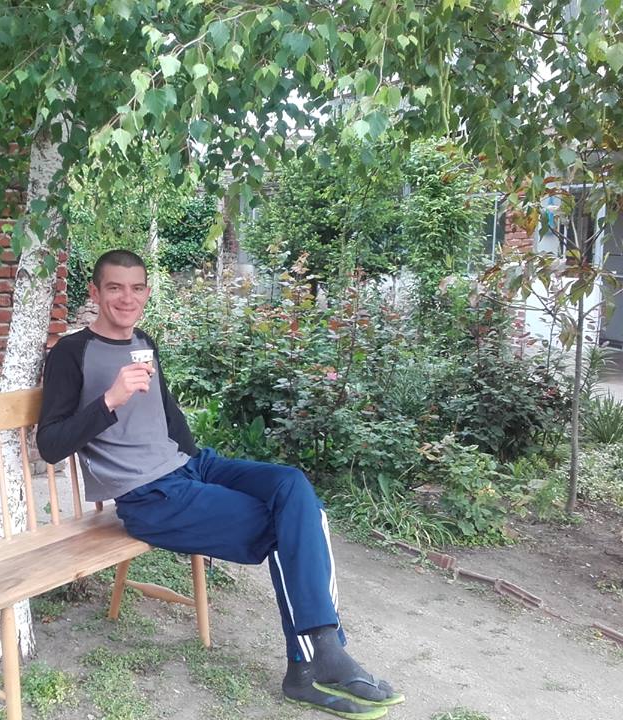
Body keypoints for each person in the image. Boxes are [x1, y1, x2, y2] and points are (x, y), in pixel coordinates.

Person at [36, 249, 404, 719]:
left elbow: (167, 413)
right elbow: (50, 445)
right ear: (94, 291)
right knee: (290, 526)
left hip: (191, 468)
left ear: (147, 291)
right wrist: (110, 398)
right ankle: (311, 663)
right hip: (148, 496)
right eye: (115, 287)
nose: (127, 298)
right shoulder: (71, 353)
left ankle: (322, 653)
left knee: (292, 487)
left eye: (137, 287)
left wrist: (196, 462)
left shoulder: (144, 341)